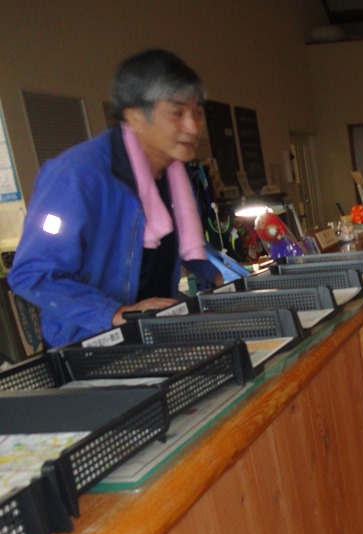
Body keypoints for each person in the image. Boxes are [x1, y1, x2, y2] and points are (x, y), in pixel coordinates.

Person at [9, 48, 222, 348]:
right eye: (177, 113)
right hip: (91, 346)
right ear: (135, 116)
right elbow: (32, 273)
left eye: (197, 113)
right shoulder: (75, 177)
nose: (193, 127)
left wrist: (218, 275)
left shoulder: (173, 173)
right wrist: (114, 313)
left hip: (151, 336)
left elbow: (183, 243)